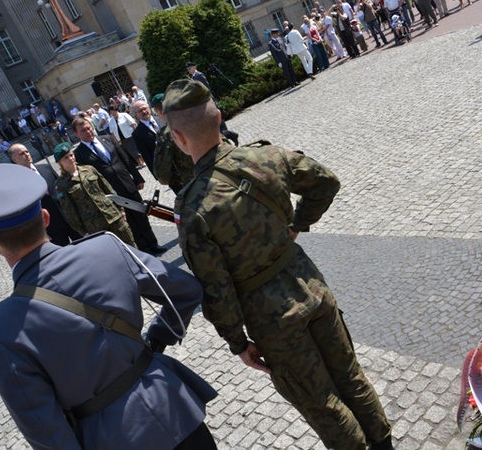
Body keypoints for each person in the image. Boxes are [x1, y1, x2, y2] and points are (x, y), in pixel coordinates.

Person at [162, 79, 394, 450]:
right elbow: (325, 182)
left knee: (321, 403)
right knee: (350, 377)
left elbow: (216, 289)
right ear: (220, 118)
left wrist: (237, 342)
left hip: (273, 321)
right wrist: (298, 225)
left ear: (178, 137)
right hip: (311, 286)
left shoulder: (192, 209)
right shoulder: (264, 157)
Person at [0, 163, 218, 450]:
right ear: (45, 217)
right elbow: (186, 290)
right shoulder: (108, 248)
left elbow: (45, 429)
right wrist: (157, 339)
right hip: (175, 409)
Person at [71, 116, 166, 255]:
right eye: (83, 130)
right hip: (111, 192)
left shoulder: (107, 139)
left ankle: (153, 243)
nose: (88, 131)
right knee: (129, 221)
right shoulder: (79, 154)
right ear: (76, 134)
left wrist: (138, 178)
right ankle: (143, 249)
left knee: (141, 215)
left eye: (89, 128)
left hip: (127, 183)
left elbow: (124, 158)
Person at [53, 143, 136, 246]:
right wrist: (83, 232)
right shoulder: (61, 184)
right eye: (66, 157)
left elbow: (108, 189)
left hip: (113, 215)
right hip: (95, 227)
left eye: (71, 155)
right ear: (60, 162)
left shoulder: (89, 169)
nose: (71, 158)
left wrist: (121, 209)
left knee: (131, 245)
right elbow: (70, 212)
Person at [8, 143, 81, 246]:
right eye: (22, 154)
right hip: (50, 229)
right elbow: (26, 212)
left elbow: (63, 190)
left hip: (70, 219)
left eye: (27, 151)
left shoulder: (45, 168)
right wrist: (40, 233)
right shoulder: (17, 183)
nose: (27, 154)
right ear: (14, 159)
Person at [132, 99, 161, 175]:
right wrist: (156, 174)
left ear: (149, 107)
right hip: (164, 167)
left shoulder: (162, 119)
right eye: (140, 111)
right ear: (136, 114)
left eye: (145, 108)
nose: (144, 112)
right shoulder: (137, 134)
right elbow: (147, 156)